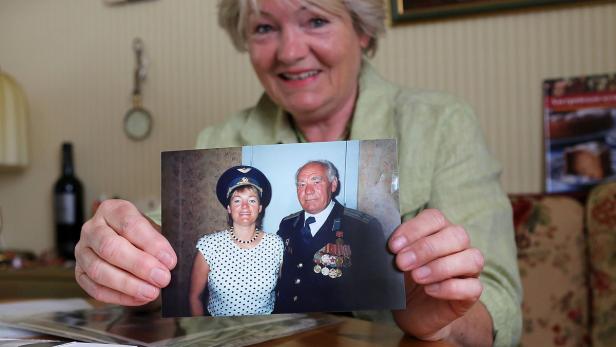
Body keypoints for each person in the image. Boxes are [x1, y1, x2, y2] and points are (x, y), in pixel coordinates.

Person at [74, 0, 522, 345]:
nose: (289, 52)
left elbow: (500, 306)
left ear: (362, 31)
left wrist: (444, 323)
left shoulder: (442, 123)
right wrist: (121, 264)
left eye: (316, 21)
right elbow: (171, 278)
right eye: (265, 27)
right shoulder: (220, 137)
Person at [274, 160, 404, 313]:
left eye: (316, 181)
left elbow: (377, 290)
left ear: (333, 184)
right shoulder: (287, 224)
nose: (308, 191)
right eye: (301, 184)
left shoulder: (363, 226)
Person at [189, 165, 283, 316]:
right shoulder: (208, 246)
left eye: (252, 200)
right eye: (237, 200)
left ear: (260, 207)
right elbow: (195, 297)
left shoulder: (276, 244)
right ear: (229, 208)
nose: (245, 206)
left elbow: (287, 290)